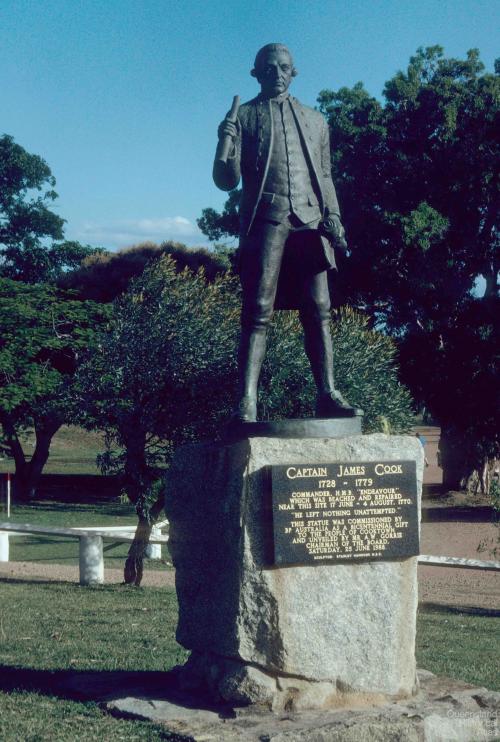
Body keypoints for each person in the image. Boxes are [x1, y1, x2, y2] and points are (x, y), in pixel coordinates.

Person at [214, 43, 360, 423]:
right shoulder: (244, 116)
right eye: (268, 68)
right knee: (257, 309)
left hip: (311, 221)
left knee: (319, 309)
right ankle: (247, 401)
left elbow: (325, 176)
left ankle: (327, 392)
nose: (276, 73)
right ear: (256, 74)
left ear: (293, 72)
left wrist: (335, 217)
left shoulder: (316, 121)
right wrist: (225, 141)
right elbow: (225, 181)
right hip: (267, 217)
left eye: (283, 67)